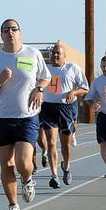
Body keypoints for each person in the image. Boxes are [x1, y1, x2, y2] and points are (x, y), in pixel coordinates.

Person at [0, 19, 50, 210]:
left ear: (20, 32)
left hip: (27, 117)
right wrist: (1, 80)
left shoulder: (32, 54)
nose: (10, 32)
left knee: (23, 162)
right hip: (1, 118)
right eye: (6, 30)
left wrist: (39, 89)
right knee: (6, 164)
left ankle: (28, 178)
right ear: (1, 35)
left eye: (13, 29)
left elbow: (44, 77)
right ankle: (13, 205)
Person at [40, 42, 89, 188]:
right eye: (53, 53)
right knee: (51, 143)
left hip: (65, 108)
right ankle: (54, 175)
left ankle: (66, 167)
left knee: (65, 145)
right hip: (48, 107)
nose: (55, 55)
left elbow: (85, 88)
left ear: (64, 56)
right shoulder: (45, 69)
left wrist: (73, 92)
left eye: (58, 53)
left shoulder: (72, 68)